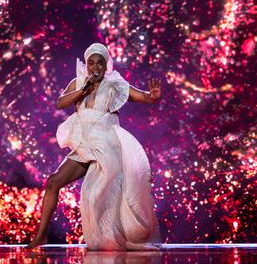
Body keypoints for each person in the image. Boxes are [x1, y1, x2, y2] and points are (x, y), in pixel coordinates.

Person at [27, 43, 162, 250]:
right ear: (87, 65)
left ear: (105, 65)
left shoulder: (114, 83)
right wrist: (83, 90)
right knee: (53, 182)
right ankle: (41, 235)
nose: (95, 66)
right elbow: (60, 103)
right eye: (92, 63)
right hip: (84, 144)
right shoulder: (79, 83)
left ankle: (117, 236)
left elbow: (142, 96)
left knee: (98, 194)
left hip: (107, 144)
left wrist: (152, 96)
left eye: (100, 62)